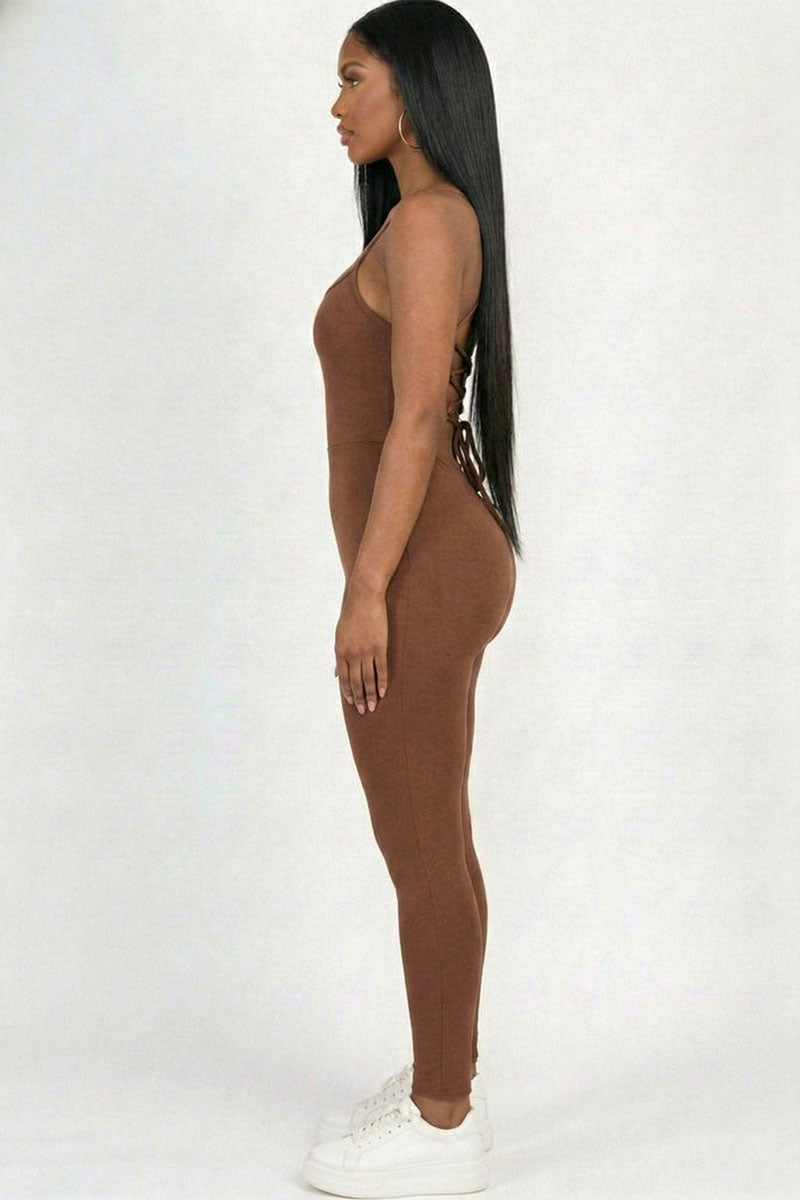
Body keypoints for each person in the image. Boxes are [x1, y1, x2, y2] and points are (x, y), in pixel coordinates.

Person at [304, 2, 523, 1194]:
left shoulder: (430, 222)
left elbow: (415, 422)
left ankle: (442, 1123)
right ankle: (448, 1077)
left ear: (416, 88)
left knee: (420, 844)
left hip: (422, 565)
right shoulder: (419, 222)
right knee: (435, 832)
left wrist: (367, 591)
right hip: (431, 557)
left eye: (354, 78)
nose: (336, 105)